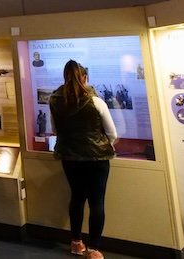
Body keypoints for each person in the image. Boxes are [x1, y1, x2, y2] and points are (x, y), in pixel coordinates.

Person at [49, 60, 117, 259]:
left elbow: (54, 130)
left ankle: (76, 243)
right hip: (97, 158)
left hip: (70, 157)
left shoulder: (54, 100)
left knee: (77, 198)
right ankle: (94, 249)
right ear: (84, 78)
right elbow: (112, 133)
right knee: (97, 202)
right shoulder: (96, 101)